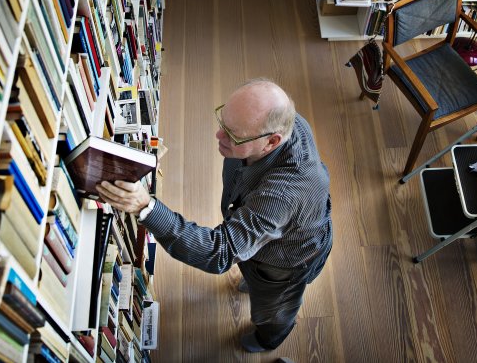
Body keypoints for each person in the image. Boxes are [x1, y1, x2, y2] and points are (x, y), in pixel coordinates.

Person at [97, 78, 333, 353]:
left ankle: (270, 338)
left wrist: (146, 208)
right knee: (250, 268)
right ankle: (253, 274)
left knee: (273, 310)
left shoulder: (282, 195)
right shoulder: (278, 122)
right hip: (267, 238)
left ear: (272, 142)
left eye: (233, 135)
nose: (218, 137)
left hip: (284, 264)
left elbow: (219, 252)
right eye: (223, 123)